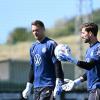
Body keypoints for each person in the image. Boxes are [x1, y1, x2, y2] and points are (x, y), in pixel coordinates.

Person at [22, 20, 64, 100]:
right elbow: (32, 68)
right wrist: (28, 86)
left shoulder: (51, 44)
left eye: (37, 30)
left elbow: (57, 65)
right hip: (37, 87)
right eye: (33, 31)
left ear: (43, 29)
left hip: (49, 85)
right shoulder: (33, 47)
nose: (35, 32)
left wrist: (58, 82)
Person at [58, 22, 100, 100]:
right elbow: (91, 71)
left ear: (90, 33)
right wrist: (76, 82)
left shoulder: (98, 48)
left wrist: (72, 59)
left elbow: (89, 65)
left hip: (97, 88)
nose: (82, 36)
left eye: (83, 33)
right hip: (93, 89)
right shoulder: (89, 50)